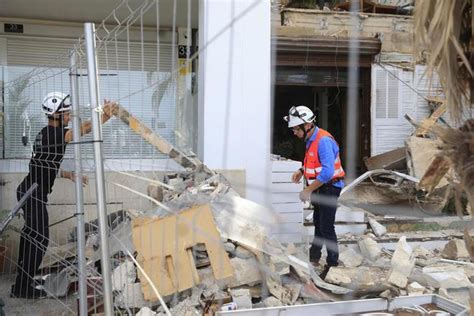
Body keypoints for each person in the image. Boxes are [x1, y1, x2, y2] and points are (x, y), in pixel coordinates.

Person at [11, 91, 117, 298]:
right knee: (39, 239)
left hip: (28, 190)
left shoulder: (45, 133)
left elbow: (43, 164)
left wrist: (69, 174)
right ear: (56, 115)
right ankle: (23, 287)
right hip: (32, 194)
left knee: (30, 237)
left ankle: (22, 282)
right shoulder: (56, 134)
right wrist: (103, 115)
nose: (69, 116)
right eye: (66, 113)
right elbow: (84, 129)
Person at [284, 105, 345, 279]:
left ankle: (333, 263)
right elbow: (313, 163)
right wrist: (301, 171)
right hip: (321, 187)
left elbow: (327, 172)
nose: (294, 132)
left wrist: (308, 190)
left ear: (307, 125)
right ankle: (315, 255)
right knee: (318, 222)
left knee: (326, 226)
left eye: (296, 129)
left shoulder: (323, 140)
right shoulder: (311, 140)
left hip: (329, 187)